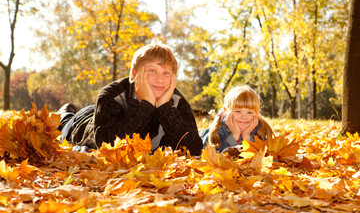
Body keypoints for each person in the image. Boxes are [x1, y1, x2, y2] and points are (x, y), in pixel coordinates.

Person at [57, 43, 203, 155]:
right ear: (134, 73)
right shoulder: (111, 94)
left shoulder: (177, 101)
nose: (160, 79)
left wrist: (164, 107)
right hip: (84, 122)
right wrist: (147, 105)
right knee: (65, 125)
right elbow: (107, 145)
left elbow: (195, 149)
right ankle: (66, 112)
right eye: (152, 71)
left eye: (166, 73)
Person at [200, 85, 274, 153]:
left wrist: (247, 137)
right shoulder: (215, 132)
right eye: (238, 111)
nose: (244, 117)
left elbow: (264, 155)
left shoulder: (260, 131)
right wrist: (234, 136)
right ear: (226, 112)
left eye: (250, 112)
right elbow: (211, 156)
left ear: (257, 113)